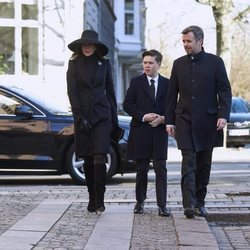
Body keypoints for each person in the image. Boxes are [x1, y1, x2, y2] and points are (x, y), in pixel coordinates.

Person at [165, 26, 232, 218]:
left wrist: (223, 115)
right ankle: (189, 204)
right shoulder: (178, 64)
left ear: (200, 42)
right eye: (184, 41)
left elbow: (224, 91)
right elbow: (171, 95)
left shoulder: (215, 63)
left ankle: (200, 202)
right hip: (184, 120)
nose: (185, 45)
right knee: (188, 162)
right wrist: (169, 121)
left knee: (203, 164)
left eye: (189, 41)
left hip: (208, 122)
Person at [67, 30, 120, 213]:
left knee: (99, 155)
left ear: (96, 47)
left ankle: (100, 199)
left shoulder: (104, 64)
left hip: (102, 115)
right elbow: (72, 93)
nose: (87, 47)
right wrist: (78, 116)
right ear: (81, 47)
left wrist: (115, 121)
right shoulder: (73, 64)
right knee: (88, 158)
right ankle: (91, 197)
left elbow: (111, 93)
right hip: (83, 117)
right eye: (84, 44)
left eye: (90, 44)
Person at [123, 49, 171, 217]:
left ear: (158, 64)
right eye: (145, 63)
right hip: (141, 131)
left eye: (151, 63)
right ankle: (139, 202)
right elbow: (127, 105)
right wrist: (143, 116)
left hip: (159, 133)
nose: (147, 66)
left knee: (161, 169)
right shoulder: (136, 82)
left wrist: (163, 119)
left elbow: (173, 107)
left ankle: (162, 205)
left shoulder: (168, 83)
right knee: (141, 169)